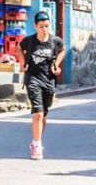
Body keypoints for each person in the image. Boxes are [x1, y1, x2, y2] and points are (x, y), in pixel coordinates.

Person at [19, 10, 64, 160]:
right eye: (41, 27)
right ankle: (37, 145)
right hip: (33, 79)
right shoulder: (29, 41)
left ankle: (36, 140)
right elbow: (19, 48)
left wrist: (56, 65)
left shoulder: (55, 41)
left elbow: (63, 51)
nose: (44, 30)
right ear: (35, 26)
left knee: (43, 114)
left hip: (48, 81)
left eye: (46, 26)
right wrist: (22, 62)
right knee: (37, 113)